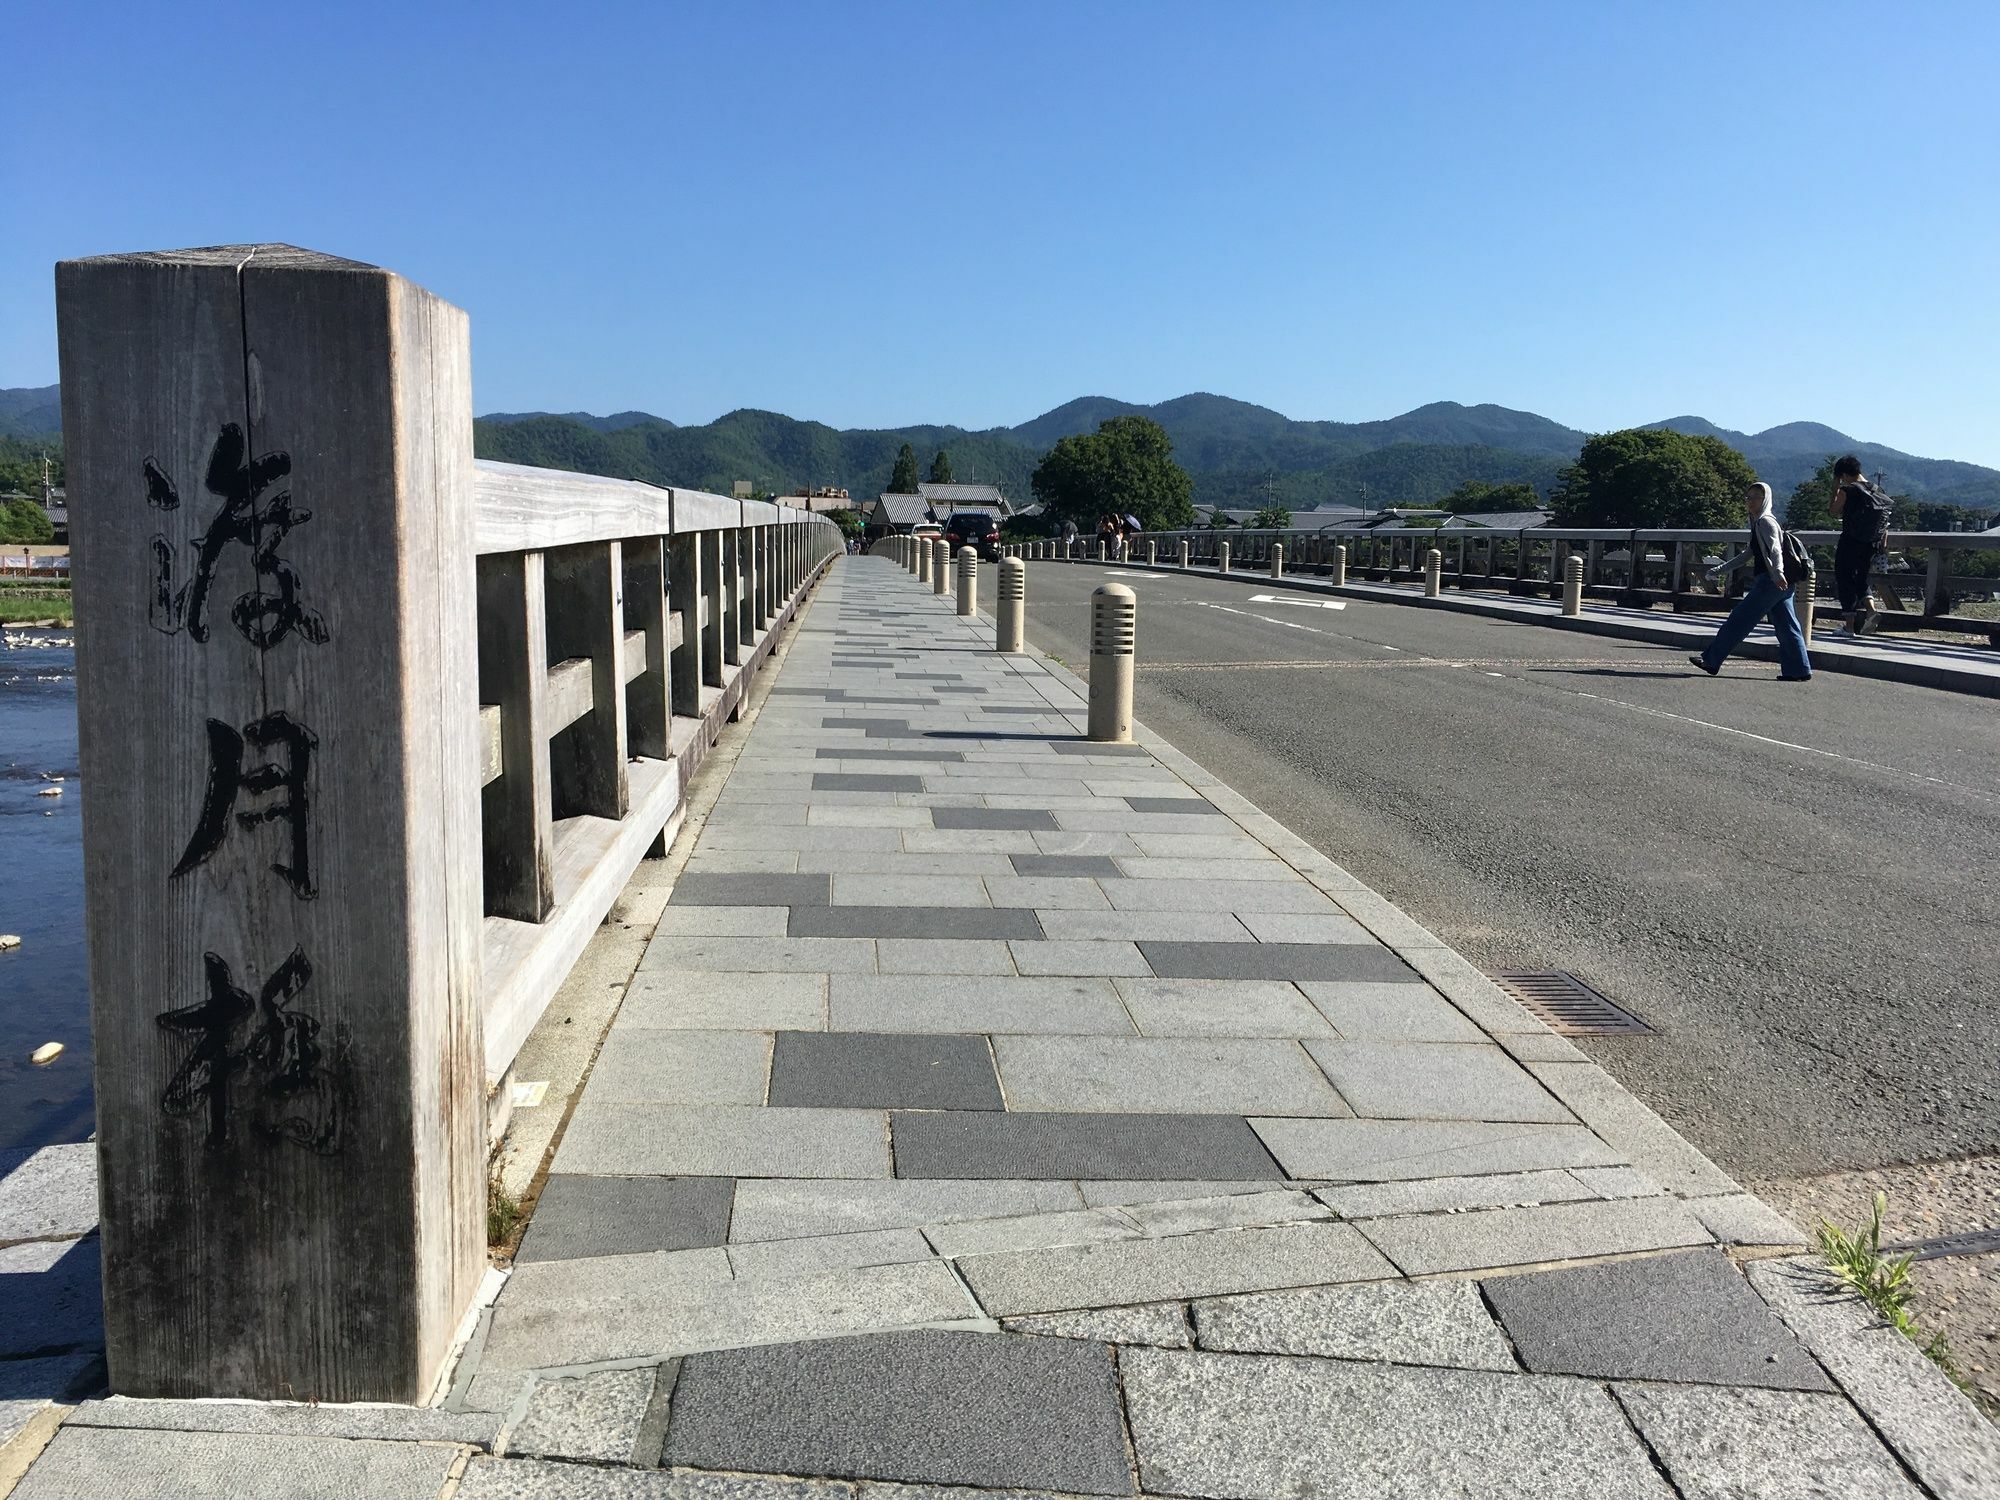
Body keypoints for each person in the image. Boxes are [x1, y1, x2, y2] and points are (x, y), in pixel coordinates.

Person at [1690, 482, 1812, 681]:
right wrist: (1721, 569)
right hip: (1781, 583)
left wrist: (1777, 573)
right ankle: (1799, 669)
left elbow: (1775, 551)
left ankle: (1711, 660)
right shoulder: (1758, 522)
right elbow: (1748, 554)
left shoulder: (1766, 522)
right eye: (1748, 497)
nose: (1751, 501)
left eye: (1756, 497)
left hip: (1771, 582)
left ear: (1765, 499)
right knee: (1787, 626)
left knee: (1739, 619)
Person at [1829, 453, 1892, 634]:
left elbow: (1833, 511)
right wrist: (1882, 538)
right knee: (1862, 578)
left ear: (1843, 475)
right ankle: (1871, 611)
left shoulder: (1848, 490)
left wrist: (1834, 489)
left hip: (1850, 541)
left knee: (1845, 579)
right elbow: (1885, 519)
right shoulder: (1877, 490)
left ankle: (1849, 627)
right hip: (1871, 542)